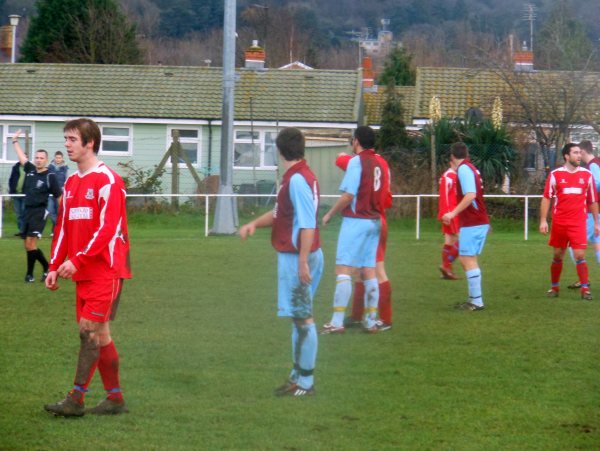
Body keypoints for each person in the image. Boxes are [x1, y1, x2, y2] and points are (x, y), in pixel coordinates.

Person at [43, 118, 132, 416]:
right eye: (66, 139)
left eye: (72, 139)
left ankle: (75, 399)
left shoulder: (108, 180)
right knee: (100, 336)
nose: (66, 144)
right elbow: (63, 230)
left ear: (89, 142)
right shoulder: (70, 183)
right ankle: (115, 398)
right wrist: (54, 265)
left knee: (88, 332)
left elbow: (108, 230)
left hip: (106, 271)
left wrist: (77, 259)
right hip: (82, 273)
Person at [240, 127, 323, 397]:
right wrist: (254, 223)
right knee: (298, 317)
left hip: (297, 257)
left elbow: (308, 224)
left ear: (279, 151)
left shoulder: (297, 180)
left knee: (303, 318)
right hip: (303, 255)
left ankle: (306, 382)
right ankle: (298, 374)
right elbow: (280, 215)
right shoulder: (298, 177)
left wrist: (302, 262)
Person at [321, 125, 385, 333]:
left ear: (356, 141)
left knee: (343, 269)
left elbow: (349, 195)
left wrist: (330, 214)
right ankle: (370, 321)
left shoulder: (357, 162)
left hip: (356, 221)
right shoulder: (380, 163)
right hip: (375, 221)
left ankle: (337, 322)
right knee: (369, 270)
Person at [334, 151, 393, 331]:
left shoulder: (363, 162)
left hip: (370, 218)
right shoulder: (382, 162)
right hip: (376, 217)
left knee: (375, 269)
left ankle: (385, 318)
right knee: (362, 269)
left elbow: (341, 160)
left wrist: (343, 155)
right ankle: (358, 315)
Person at [539, 143, 599, 301]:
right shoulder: (555, 175)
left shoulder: (587, 175)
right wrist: (543, 220)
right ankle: (554, 287)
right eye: (575, 153)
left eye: (580, 153)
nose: (579, 156)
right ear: (566, 156)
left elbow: (592, 200)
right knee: (558, 255)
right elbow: (547, 197)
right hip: (559, 222)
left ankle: (585, 290)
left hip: (578, 222)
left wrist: (596, 222)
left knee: (579, 254)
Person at [441, 142, 490, 311]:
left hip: (473, 221)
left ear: (452, 156)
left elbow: (470, 195)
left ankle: (476, 301)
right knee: (467, 258)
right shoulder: (470, 168)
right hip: (476, 221)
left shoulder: (463, 169)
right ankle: (473, 299)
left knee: (467, 259)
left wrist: (452, 213)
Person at [11, 131, 62, 283]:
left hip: (40, 212)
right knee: (28, 245)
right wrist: (14, 141)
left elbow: (59, 196)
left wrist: (64, 214)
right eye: (37, 158)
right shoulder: (31, 170)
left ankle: (29, 275)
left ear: (47, 160)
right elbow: (22, 158)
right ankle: (46, 267)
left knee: (30, 242)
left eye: (41, 158)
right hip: (28, 211)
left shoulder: (50, 176)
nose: (38, 160)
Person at [565, 140, 600, 289]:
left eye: (579, 152)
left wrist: (581, 188)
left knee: (572, 244)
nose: (578, 155)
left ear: (584, 152)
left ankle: (583, 278)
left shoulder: (592, 164)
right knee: (597, 245)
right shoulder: (596, 163)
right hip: (596, 212)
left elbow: (597, 182)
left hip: (592, 213)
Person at [437, 163, 460, 280]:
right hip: (451, 213)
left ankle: (446, 271)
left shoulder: (454, 175)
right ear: (451, 163)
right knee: (463, 240)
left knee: (450, 241)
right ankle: (446, 266)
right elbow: (444, 196)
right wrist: (445, 214)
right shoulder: (449, 176)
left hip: (451, 212)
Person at [47, 150, 69, 230]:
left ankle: (55, 229)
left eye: (59, 158)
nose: (58, 159)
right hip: (50, 193)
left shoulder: (65, 168)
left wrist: (63, 189)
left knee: (59, 211)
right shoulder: (50, 167)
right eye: (57, 158)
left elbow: (66, 180)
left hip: (60, 193)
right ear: (54, 158)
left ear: (62, 158)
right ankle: (58, 226)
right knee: (50, 210)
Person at [8, 160, 26, 236]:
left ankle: (24, 231)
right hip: (16, 194)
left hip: (25, 195)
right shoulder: (15, 167)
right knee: (19, 214)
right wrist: (11, 190)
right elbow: (11, 179)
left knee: (24, 213)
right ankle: (21, 230)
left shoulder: (29, 168)